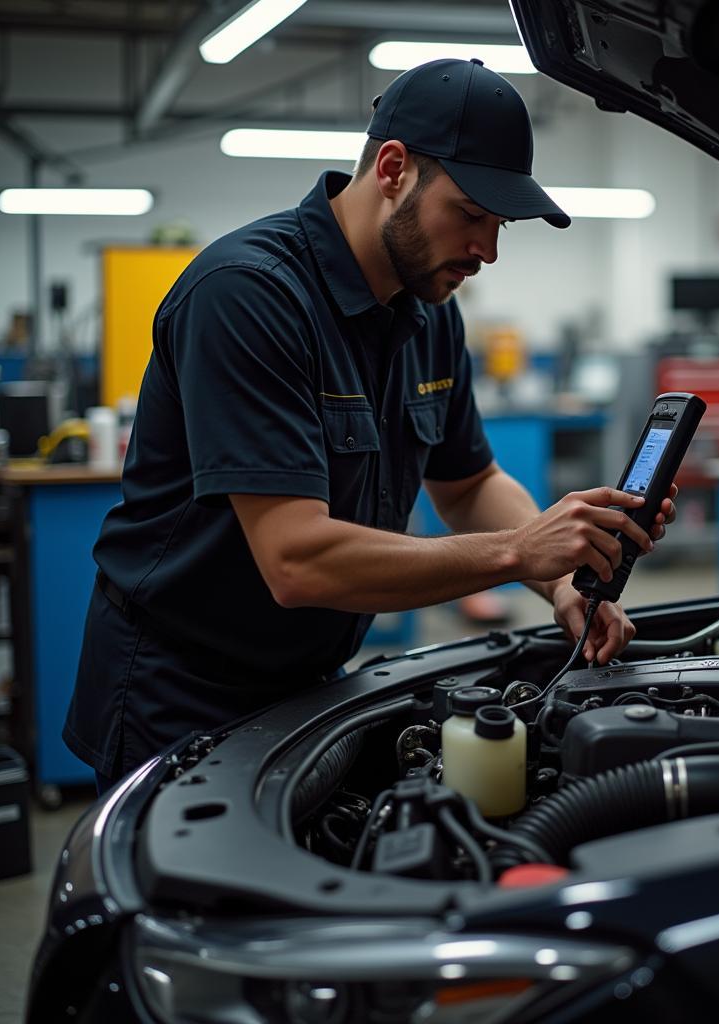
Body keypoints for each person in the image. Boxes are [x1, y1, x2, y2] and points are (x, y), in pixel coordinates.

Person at [63, 58, 675, 792]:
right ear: (393, 169)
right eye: (471, 214)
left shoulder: (429, 315)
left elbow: (469, 479)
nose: (488, 250)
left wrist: (562, 589)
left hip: (310, 678)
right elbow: (298, 561)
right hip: (179, 692)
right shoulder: (248, 296)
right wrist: (518, 551)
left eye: (500, 224)